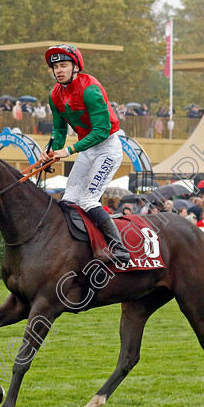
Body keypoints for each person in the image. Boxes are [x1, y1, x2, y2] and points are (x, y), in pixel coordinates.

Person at [38, 44, 130, 263]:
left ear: (75, 67)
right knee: (69, 201)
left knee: (89, 201)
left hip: (107, 149)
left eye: (63, 65)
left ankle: (120, 249)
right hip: (87, 150)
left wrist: (68, 150)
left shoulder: (90, 89)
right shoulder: (55, 94)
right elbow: (59, 130)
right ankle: (78, 249)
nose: (58, 70)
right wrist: (50, 151)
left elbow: (102, 130)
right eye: (55, 67)